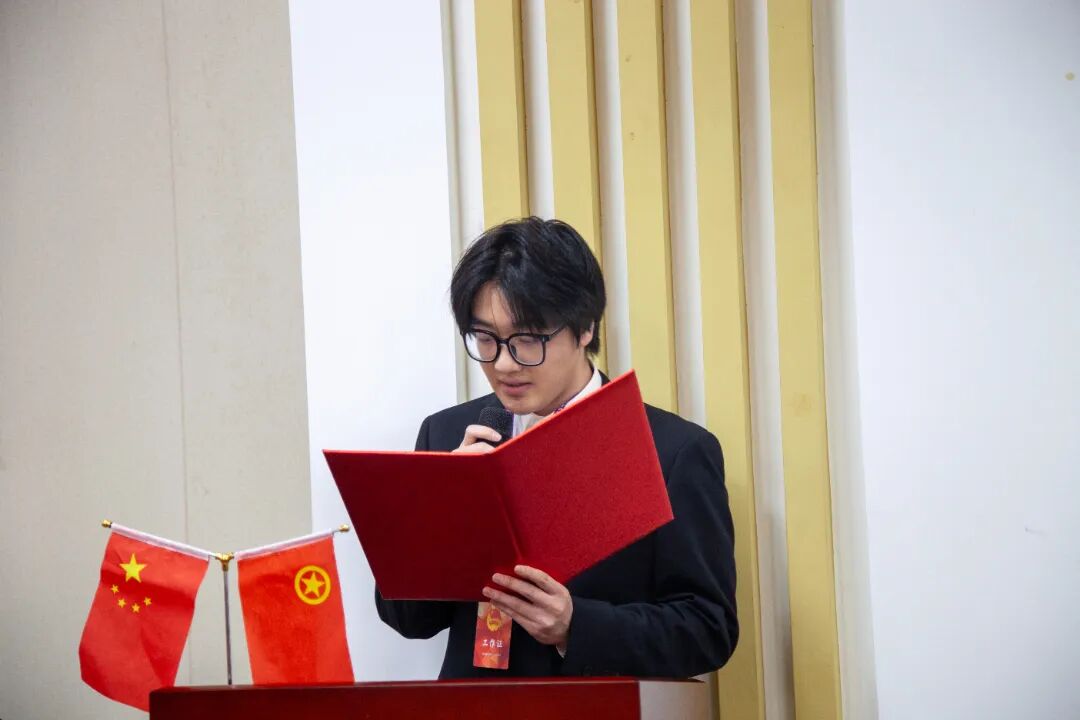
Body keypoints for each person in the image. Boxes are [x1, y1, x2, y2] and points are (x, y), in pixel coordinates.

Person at [375, 217, 738, 678]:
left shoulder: (672, 451)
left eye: (527, 340)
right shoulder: (445, 434)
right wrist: (439, 512)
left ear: (585, 328)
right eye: (485, 338)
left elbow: (708, 628)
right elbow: (406, 618)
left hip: (594, 706)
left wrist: (575, 625)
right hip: (470, 706)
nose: (504, 363)